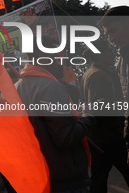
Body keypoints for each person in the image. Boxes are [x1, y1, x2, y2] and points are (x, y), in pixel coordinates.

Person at [15, 36, 94, 193]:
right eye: (53, 55)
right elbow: (65, 137)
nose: (58, 60)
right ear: (39, 56)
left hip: (42, 172)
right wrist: (87, 117)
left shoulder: (17, 87)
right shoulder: (51, 87)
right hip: (64, 177)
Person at [81, 39, 129, 192]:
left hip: (100, 136)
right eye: (109, 51)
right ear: (99, 55)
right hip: (109, 137)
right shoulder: (98, 75)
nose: (112, 54)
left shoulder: (90, 73)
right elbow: (98, 107)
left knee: (98, 178)